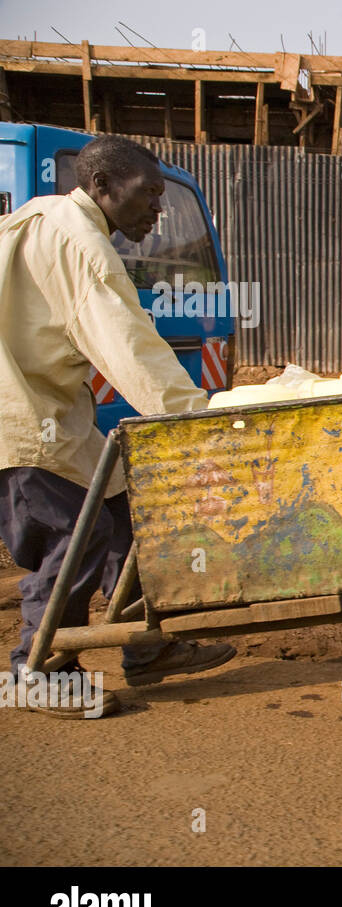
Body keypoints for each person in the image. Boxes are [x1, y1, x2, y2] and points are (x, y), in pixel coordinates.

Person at [0, 135, 235, 718]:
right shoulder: (82, 245)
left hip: (51, 405)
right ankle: (39, 668)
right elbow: (126, 345)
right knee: (75, 534)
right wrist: (194, 418)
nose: (157, 209)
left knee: (124, 515)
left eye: (161, 195)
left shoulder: (43, 217)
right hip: (21, 413)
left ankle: (145, 647)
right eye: (148, 193)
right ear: (103, 187)